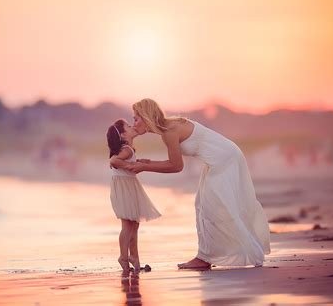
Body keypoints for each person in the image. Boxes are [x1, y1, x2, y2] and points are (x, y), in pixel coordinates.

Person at [125, 99, 271, 269]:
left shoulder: (169, 132)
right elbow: (174, 162)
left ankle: (211, 257)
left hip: (225, 160)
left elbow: (176, 166)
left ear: (146, 116)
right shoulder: (170, 126)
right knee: (202, 205)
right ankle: (206, 256)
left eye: (136, 118)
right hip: (219, 160)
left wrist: (144, 167)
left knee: (212, 207)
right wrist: (148, 163)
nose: (134, 123)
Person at [106, 119, 162, 273]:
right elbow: (114, 160)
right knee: (128, 224)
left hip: (126, 187)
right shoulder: (127, 150)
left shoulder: (129, 150)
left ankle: (134, 256)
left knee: (134, 223)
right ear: (123, 134)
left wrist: (136, 162)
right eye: (128, 126)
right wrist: (129, 165)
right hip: (125, 188)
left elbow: (118, 161)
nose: (132, 127)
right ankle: (123, 256)